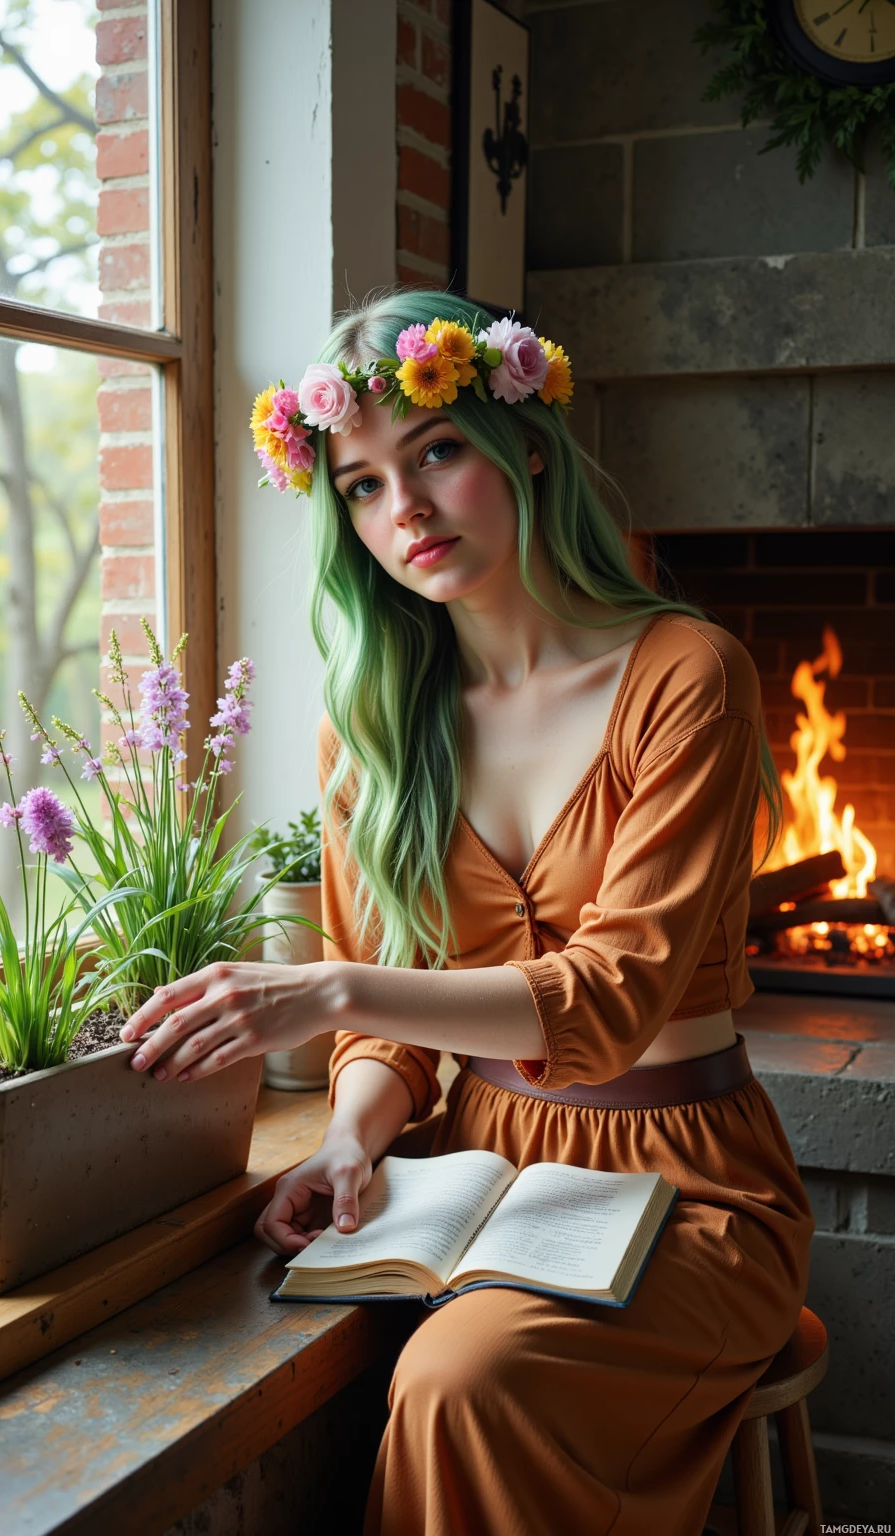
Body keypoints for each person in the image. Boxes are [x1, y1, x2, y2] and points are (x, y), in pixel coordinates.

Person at [120, 291, 814, 1536]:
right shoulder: (374, 724)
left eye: (435, 451)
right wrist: (348, 1138)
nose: (406, 509)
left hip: (690, 1183)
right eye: (362, 485)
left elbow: (609, 1001)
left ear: (524, 446)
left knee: (458, 1379)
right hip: (476, 1165)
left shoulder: (685, 675)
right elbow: (386, 1028)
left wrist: (324, 986)